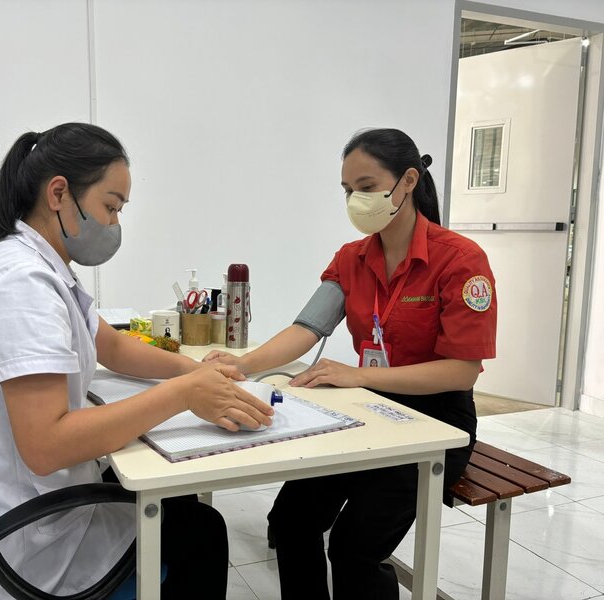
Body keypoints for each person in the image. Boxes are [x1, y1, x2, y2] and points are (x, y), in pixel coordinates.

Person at [0, 122, 273, 600]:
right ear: (59, 194)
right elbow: (45, 445)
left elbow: (112, 346)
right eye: (110, 207)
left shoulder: (39, 266)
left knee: (178, 500)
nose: (114, 224)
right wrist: (184, 395)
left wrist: (197, 373)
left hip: (19, 504)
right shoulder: (20, 286)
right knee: (201, 533)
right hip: (24, 537)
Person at [204, 128, 496, 599]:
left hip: (435, 419)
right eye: (347, 190)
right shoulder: (353, 258)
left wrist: (358, 375)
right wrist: (242, 363)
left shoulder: (460, 260)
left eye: (365, 186)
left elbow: (461, 370)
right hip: (367, 410)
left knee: (354, 548)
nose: (355, 200)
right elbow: (306, 329)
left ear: (406, 181)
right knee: (293, 521)